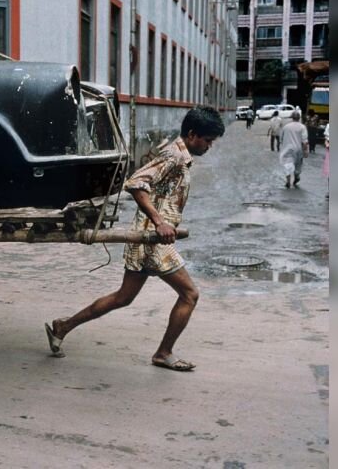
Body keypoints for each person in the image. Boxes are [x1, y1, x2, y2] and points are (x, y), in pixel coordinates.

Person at [44, 106, 225, 372]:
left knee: (123, 298)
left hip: (150, 239)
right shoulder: (173, 155)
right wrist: (160, 221)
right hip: (151, 241)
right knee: (190, 294)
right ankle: (163, 353)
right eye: (207, 140)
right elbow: (136, 183)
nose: (209, 146)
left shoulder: (181, 156)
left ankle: (63, 326)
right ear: (192, 134)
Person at [279, 110, 309, 188]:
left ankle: (288, 181)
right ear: (299, 118)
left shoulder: (286, 126)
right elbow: (305, 141)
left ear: (292, 118)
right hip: (298, 149)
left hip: (287, 149)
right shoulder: (302, 127)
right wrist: (305, 150)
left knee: (287, 165)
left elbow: (281, 139)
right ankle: (296, 176)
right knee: (298, 165)